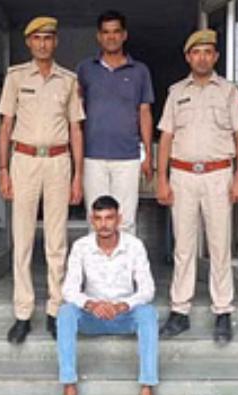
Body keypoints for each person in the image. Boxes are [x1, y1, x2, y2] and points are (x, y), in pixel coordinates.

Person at [155, 29, 238, 344]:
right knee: (184, 247)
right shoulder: (175, 92)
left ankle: (222, 311)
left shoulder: (228, 92)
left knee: (219, 245)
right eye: (196, 52)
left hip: (218, 175)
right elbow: (166, 137)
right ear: (188, 57)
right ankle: (179, 311)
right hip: (182, 175)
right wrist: (161, 178)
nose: (202, 58)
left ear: (216, 57)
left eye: (208, 52)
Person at [0, 16, 85, 344]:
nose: (43, 44)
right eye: (37, 38)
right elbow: (6, 126)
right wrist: (2, 169)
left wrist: (78, 175)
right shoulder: (16, 77)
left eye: (48, 38)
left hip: (59, 161)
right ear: (29, 43)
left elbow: (76, 128)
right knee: (22, 238)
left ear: (55, 42)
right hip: (24, 160)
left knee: (56, 241)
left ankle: (55, 309)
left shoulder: (68, 80)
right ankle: (23, 313)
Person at [58, 195, 158, 395]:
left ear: (118, 219)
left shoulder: (134, 246)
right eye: (98, 218)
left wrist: (124, 305)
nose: (104, 224)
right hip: (92, 316)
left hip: (124, 315)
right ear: (91, 220)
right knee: (65, 313)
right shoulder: (81, 246)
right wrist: (91, 304)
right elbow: (68, 289)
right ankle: (69, 385)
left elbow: (148, 289)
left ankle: (147, 387)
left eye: (109, 218)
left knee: (148, 313)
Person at [76, 10, 155, 235]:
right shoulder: (85, 69)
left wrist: (148, 154)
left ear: (124, 35)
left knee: (125, 221)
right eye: (106, 32)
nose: (111, 37)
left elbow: (145, 112)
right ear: (99, 36)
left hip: (128, 156)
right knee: (96, 220)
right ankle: (97, 261)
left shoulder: (140, 71)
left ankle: (124, 260)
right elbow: (76, 114)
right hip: (92, 156)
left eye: (116, 32)